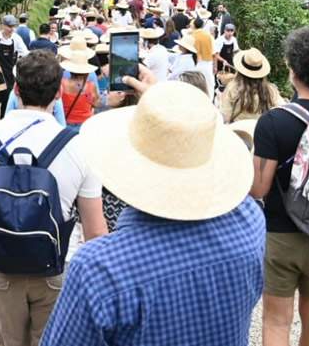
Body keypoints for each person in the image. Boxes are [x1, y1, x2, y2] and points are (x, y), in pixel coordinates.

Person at [41, 79, 263, 346]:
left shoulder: (100, 269)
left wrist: (159, 119)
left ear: (126, 160)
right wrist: (175, 119)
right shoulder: (250, 222)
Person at [0, 50, 107, 346]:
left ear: (16, 88)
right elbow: (95, 231)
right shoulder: (78, 147)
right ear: (58, 93)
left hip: (2, 268)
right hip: (55, 269)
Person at [251, 26, 309, 346]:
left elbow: (259, 189)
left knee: (277, 320)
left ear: (292, 70)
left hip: (281, 233)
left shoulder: (273, 122)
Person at [219, 48, 284, 122]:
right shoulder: (269, 90)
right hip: (261, 128)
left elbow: (225, 116)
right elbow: (282, 109)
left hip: (238, 128)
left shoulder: (232, 89)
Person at [60, 51, 99, 131]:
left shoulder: (61, 83)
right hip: (85, 124)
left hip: (65, 122)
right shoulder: (91, 86)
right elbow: (95, 103)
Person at [190, 18, 215, 95]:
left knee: (195, 85)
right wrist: (214, 65)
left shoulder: (192, 36)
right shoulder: (209, 36)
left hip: (196, 62)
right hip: (208, 62)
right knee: (209, 84)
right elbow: (214, 52)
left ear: (194, 25)